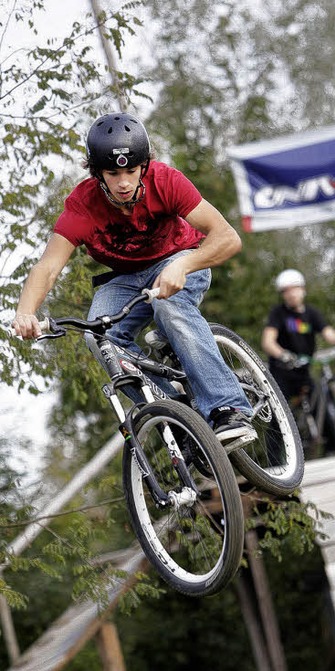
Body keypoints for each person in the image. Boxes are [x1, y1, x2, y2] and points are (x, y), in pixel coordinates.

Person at [11, 112, 256, 450]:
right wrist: (25, 311)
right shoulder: (82, 207)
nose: (123, 182)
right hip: (124, 279)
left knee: (167, 304)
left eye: (131, 171)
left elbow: (227, 238)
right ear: (98, 173)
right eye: (113, 174)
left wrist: (186, 265)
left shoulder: (166, 182)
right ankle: (180, 418)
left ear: (144, 165)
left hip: (181, 258)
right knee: (100, 338)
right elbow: (48, 267)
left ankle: (229, 407)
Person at [261, 268, 335, 401]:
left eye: (294, 289)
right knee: (281, 416)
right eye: (286, 291)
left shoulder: (312, 313)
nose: (291, 294)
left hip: (303, 372)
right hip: (281, 373)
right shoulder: (278, 313)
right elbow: (268, 342)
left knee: (322, 409)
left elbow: (330, 335)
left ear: (303, 289)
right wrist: (283, 355)